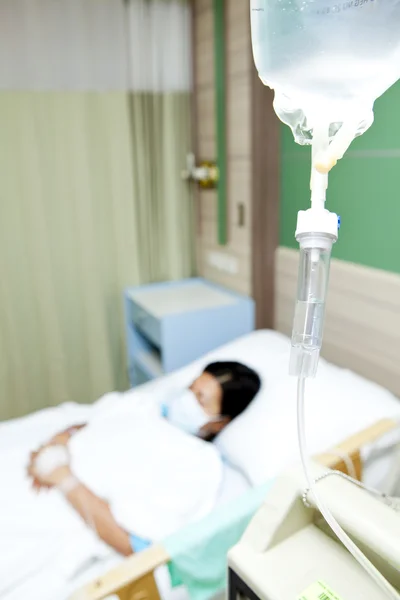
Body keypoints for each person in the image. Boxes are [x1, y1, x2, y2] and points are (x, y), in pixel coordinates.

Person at [28, 361, 261, 557]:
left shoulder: (197, 466)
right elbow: (90, 425)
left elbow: (135, 545)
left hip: (61, 509)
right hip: (42, 474)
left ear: (220, 422)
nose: (186, 399)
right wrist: (56, 445)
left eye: (200, 400)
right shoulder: (145, 406)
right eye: (190, 388)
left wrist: (65, 480)